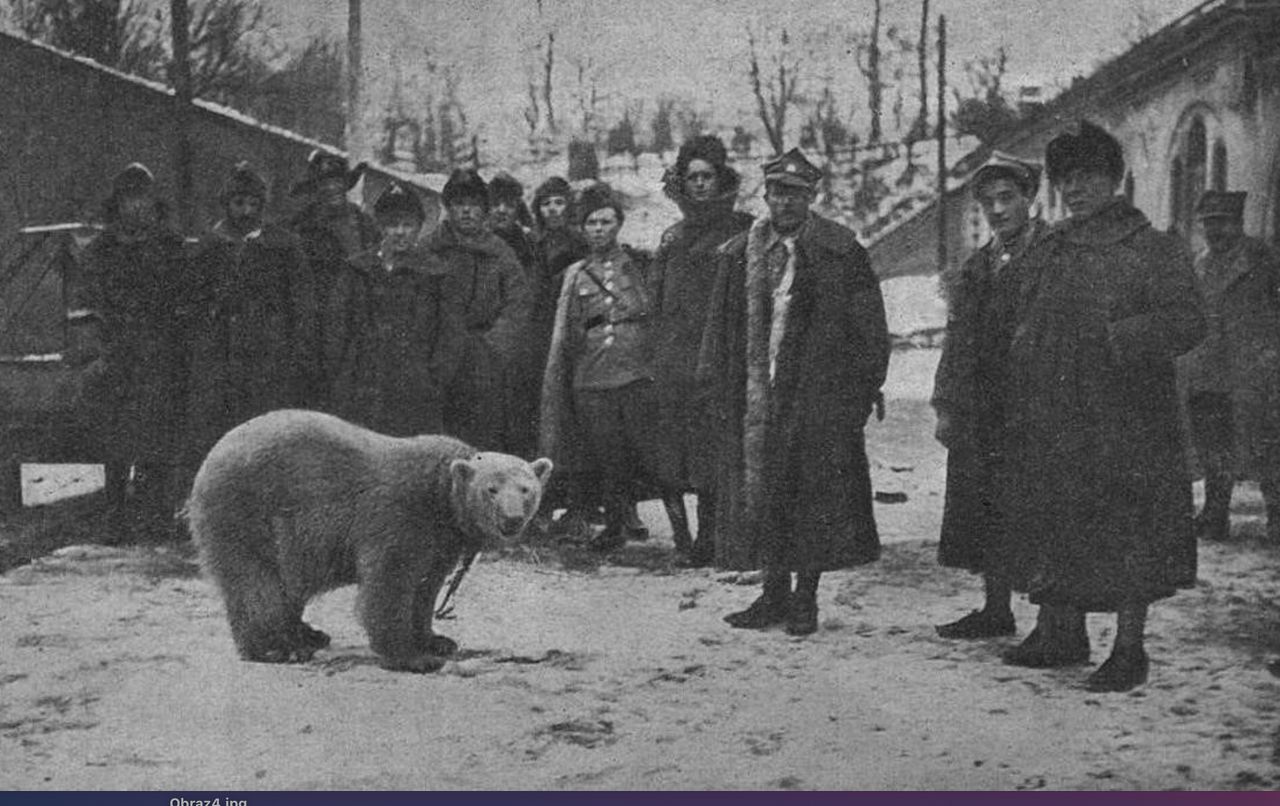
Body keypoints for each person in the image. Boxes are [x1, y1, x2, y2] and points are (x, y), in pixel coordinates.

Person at [994, 121, 1205, 692]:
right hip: (1057, 414)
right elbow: (1024, 318)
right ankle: (1062, 632)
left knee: (1130, 534)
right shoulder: (1051, 248)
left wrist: (1122, 337)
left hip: (1129, 419)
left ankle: (1130, 649)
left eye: (1088, 176)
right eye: (1066, 179)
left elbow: (1188, 321)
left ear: (1115, 179)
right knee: (1059, 522)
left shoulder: (1152, 247)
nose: (1075, 188)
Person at [697, 148, 890, 636]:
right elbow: (720, 331)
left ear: (813, 197)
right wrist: (717, 388)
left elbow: (870, 332)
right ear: (765, 195)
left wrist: (857, 395)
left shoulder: (840, 251)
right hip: (755, 396)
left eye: (797, 194)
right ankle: (772, 593)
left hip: (816, 400)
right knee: (763, 495)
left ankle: (805, 598)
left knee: (813, 501)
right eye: (779, 192)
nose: (786, 203)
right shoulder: (740, 254)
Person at [931, 153, 1048, 639]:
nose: (998, 210)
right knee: (987, 506)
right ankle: (995, 607)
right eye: (988, 202)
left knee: (1039, 508)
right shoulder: (978, 265)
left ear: (1028, 200)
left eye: (1007, 198)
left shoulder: (1051, 255)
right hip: (984, 408)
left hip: (1037, 403)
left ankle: (1054, 620)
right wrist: (946, 405)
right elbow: (957, 341)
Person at [539, 183, 679, 551]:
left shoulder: (641, 265)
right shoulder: (574, 276)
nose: (598, 229)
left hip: (636, 375)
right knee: (608, 459)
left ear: (618, 224)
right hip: (593, 379)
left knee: (657, 457)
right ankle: (616, 526)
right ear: (582, 229)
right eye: (590, 223)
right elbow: (567, 334)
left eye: (605, 221)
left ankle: (683, 533)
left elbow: (659, 317)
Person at [67, 163, 198, 542]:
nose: (136, 207)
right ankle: (115, 515)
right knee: (115, 439)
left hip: (161, 354)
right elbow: (85, 303)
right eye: (129, 200)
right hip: (116, 354)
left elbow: (187, 299)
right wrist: (96, 351)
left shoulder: (170, 247)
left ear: (153, 203)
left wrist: (179, 344)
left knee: (159, 437)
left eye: (142, 199)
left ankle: (156, 514)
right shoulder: (101, 250)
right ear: (118, 205)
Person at [649, 135, 754, 564]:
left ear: (722, 178)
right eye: (691, 177)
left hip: (722, 359)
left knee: (715, 451)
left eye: (707, 176)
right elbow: (657, 301)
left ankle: (715, 537)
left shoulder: (744, 231)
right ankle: (685, 538)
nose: (699, 185)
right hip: (675, 360)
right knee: (675, 451)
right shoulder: (672, 238)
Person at [187, 162, 316, 471]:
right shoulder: (209, 247)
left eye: (253, 204)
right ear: (227, 204)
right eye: (238, 203)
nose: (245, 211)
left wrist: (295, 352)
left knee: (266, 435)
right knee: (220, 435)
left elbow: (303, 305)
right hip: (220, 361)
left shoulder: (284, 247)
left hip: (269, 360)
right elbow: (193, 305)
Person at [1177, 190, 1280, 543]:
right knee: (1213, 448)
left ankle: (1278, 516)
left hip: (1255, 368)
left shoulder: (1263, 261)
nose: (1214, 230)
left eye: (1221, 222)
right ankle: (1215, 513)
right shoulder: (1199, 263)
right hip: (1209, 371)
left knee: (1268, 445)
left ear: (1237, 222)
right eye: (1208, 224)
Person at [325, 180, 457, 437]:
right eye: (392, 224)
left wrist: (433, 379)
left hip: (414, 390)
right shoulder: (357, 269)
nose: (400, 232)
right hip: (362, 386)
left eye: (408, 225)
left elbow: (449, 334)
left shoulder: (435, 274)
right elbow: (337, 327)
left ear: (419, 228)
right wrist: (341, 374)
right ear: (381, 227)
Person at [422, 168, 531, 451]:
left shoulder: (500, 252)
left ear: (483, 210)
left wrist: (494, 346)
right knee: (441, 438)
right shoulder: (430, 249)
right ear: (448, 208)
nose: (467, 212)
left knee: (484, 437)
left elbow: (518, 303)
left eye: (474, 206)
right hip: (439, 358)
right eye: (459, 205)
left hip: (485, 359)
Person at [288, 150, 378, 406]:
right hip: (314, 322)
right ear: (316, 188)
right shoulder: (301, 226)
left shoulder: (365, 224)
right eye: (325, 183)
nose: (332, 189)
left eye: (337, 181)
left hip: (356, 320)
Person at [488, 172, 542, 459]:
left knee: (522, 422)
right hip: (488, 347)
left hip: (523, 348)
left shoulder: (530, 245)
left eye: (508, 204)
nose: (501, 211)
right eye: (495, 204)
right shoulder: (477, 244)